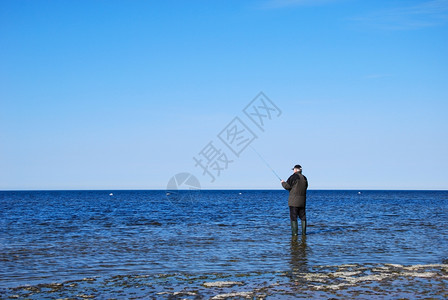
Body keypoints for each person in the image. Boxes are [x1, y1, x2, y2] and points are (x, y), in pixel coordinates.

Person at [281, 165, 308, 236]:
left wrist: (282, 183)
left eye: (294, 169)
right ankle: (304, 234)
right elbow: (306, 187)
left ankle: (295, 234)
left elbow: (287, 186)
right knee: (303, 217)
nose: (293, 171)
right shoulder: (304, 178)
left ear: (296, 170)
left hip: (293, 202)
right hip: (302, 202)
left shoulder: (293, 177)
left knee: (293, 217)